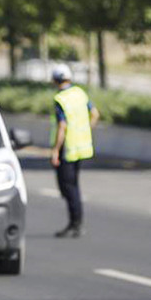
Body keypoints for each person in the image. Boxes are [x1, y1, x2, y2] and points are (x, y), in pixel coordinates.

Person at [50, 64, 99, 238]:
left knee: (69, 188)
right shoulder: (79, 93)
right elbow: (95, 114)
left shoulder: (61, 99)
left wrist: (55, 150)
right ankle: (75, 222)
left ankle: (75, 223)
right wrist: (86, 131)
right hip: (82, 147)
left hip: (68, 149)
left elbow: (62, 126)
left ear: (54, 80)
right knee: (74, 186)